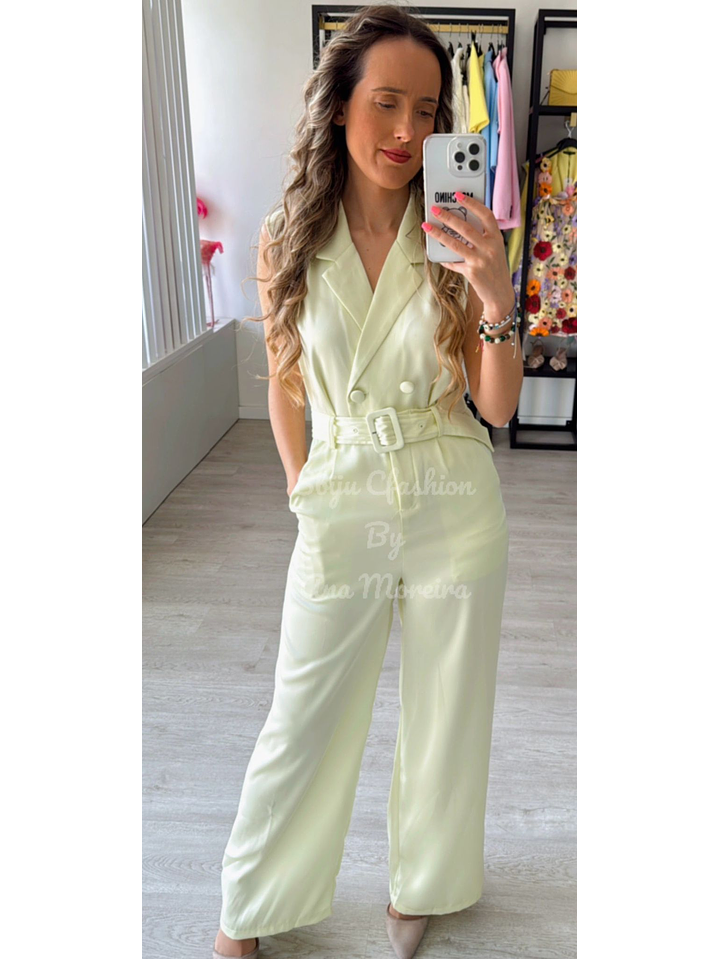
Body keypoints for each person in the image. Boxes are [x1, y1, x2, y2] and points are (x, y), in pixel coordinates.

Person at [213, 5, 523, 958]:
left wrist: (496, 296)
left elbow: (495, 405)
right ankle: (248, 906)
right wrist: (303, 489)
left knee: (446, 708)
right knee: (304, 711)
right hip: (342, 492)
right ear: (339, 105)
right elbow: (284, 383)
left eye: (427, 112)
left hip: (452, 494)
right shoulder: (287, 237)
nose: (406, 132)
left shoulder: (461, 234)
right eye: (386, 102)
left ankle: (423, 881)